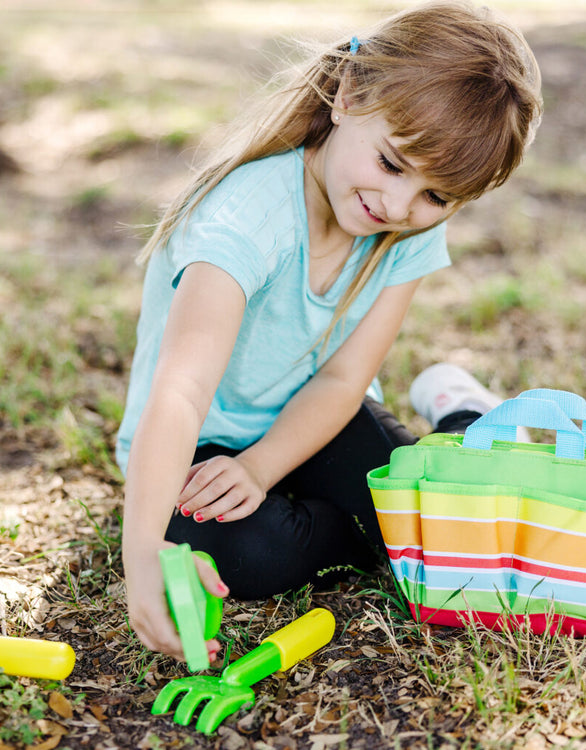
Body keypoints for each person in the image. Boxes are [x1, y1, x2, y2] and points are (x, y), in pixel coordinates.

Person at [117, 0, 542, 663]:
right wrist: (143, 553)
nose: (400, 207)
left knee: (447, 526)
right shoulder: (246, 217)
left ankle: (461, 416)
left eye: (437, 198)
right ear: (348, 94)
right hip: (197, 441)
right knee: (250, 555)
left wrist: (261, 468)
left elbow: (344, 380)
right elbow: (181, 389)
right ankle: (367, 530)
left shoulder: (402, 231)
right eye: (394, 164)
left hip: (319, 421)